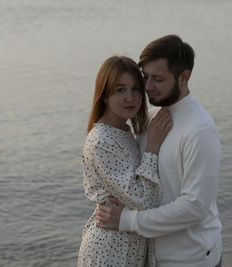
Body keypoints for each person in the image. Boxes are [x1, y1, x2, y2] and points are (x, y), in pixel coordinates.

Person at [96, 35, 223, 266]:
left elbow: (195, 207)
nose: (147, 87)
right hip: (150, 257)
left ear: (185, 76)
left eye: (157, 79)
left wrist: (128, 221)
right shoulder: (151, 118)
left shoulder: (200, 130)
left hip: (190, 259)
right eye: (145, 76)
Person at [78, 56, 172, 267]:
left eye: (135, 89)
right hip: (110, 251)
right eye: (120, 90)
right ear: (104, 96)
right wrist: (153, 146)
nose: (130, 98)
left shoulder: (123, 131)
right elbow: (143, 200)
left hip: (128, 248)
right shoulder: (102, 140)